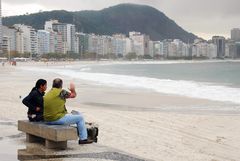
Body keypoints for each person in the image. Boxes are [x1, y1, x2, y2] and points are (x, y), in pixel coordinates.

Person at [43, 78, 93, 144]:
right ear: (61, 85)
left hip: (47, 119)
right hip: (56, 119)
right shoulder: (61, 92)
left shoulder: (48, 93)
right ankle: (83, 139)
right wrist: (73, 90)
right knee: (80, 118)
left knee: (75, 114)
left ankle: (80, 130)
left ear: (53, 85)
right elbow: (74, 95)